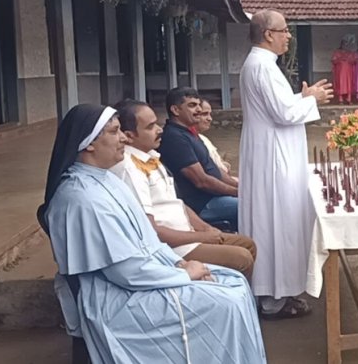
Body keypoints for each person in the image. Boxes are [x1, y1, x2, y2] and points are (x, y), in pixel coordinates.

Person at [37, 104, 266, 363]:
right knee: (227, 300)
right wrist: (183, 273)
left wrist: (179, 262)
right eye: (114, 132)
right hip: (115, 296)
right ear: (89, 143)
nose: (123, 137)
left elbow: (148, 240)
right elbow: (126, 272)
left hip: (147, 274)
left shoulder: (106, 179)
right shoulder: (82, 198)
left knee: (234, 282)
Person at [239, 9, 333, 319]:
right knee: (276, 222)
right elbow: (283, 114)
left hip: (271, 150)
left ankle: (277, 291)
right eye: (284, 31)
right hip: (273, 157)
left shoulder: (262, 65)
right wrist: (312, 99)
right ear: (268, 34)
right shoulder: (262, 67)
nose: (288, 36)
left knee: (274, 222)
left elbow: (279, 106)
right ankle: (273, 298)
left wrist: (301, 97)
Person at [112, 99, 257, 280]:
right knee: (241, 257)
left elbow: (177, 203)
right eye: (150, 127)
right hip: (174, 246)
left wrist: (206, 229)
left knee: (248, 244)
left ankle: (248, 301)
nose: (159, 129)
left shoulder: (151, 157)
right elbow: (152, 232)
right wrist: (201, 236)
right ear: (129, 136)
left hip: (188, 232)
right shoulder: (130, 169)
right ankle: (233, 301)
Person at [158, 87, 241, 227]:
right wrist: (237, 193)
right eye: (192, 105)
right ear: (175, 110)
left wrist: (241, 188)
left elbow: (215, 171)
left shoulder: (190, 133)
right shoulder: (174, 138)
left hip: (214, 197)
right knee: (256, 207)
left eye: (198, 105)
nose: (198, 110)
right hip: (202, 204)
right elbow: (201, 181)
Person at [197, 99, 234, 177]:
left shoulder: (203, 139)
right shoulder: (190, 141)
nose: (210, 119)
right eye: (204, 114)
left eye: (210, 114)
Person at [331, 39, 355, 104]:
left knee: (348, 84)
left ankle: (349, 99)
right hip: (340, 71)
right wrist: (340, 59)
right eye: (344, 44)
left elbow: (353, 61)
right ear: (341, 44)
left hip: (348, 71)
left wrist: (348, 60)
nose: (345, 45)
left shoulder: (349, 53)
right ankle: (340, 99)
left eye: (346, 44)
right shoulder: (337, 52)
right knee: (340, 84)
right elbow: (333, 60)